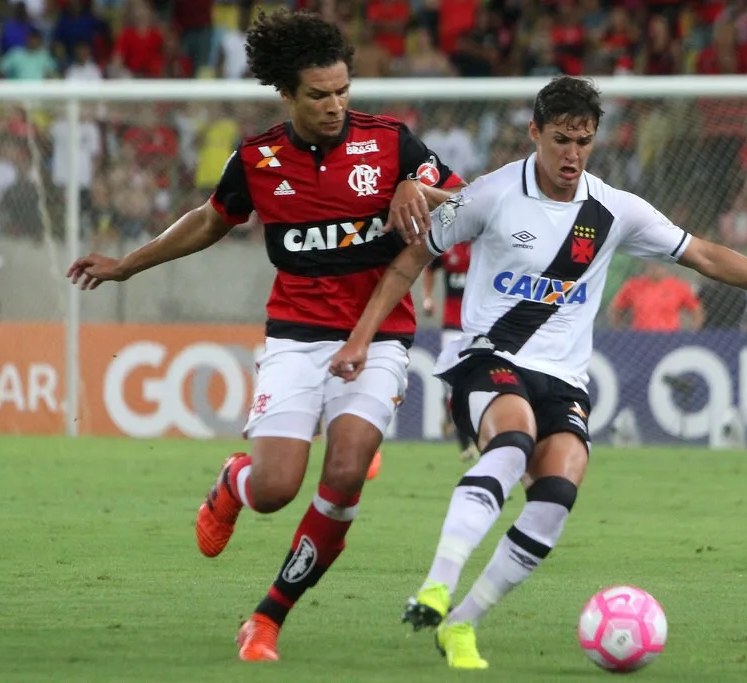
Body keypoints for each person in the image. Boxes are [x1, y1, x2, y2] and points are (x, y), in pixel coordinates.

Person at [328, 76, 747, 670]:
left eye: (584, 141)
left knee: (557, 494)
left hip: (562, 379)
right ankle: (436, 586)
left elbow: (707, 255)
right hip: (490, 360)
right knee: (512, 444)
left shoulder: (613, 209)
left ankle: (462, 624)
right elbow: (410, 260)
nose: (572, 154)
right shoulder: (491, 194)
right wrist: (360, 338)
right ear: (535, 133)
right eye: (560, 139)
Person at [66, 9, 463, 662]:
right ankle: (233, 484)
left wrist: (420, 187)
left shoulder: (392, 144)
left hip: (380, 339)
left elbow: (468, 198)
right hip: (296, 338)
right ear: (287, 93)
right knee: (276, 488)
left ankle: (267, 617)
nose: (334, 105)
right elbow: (206, 221)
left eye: (342, 90)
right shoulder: (258, 159)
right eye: (318, 94)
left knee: (345, 470)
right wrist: (126, 265)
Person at [421, 241, 480, 461]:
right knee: (454, 383)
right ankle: (465, 443)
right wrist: (427, 298)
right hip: (452, 326)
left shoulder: (487, 244)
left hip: (480, 326)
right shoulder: (449, 249)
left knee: (476, 381)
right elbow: (430, 268)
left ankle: (457, 421)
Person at [607, 261, 703, 331]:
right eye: (651, 265)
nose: (654, 268)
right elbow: (615, 309)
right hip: (640, 336)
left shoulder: (678, 286)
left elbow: (697, 311)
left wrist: (691, 334)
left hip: (669, 336)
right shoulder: (633, 285)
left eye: (658, 265)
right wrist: (620, 330)